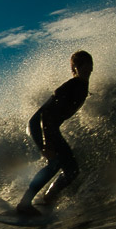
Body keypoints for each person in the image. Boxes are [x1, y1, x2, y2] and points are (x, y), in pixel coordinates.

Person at [16, 50, 93, 216]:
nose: (87, 68)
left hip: (50, 127)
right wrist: (47, 144)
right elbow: (46, 115)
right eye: (81, 65)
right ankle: (24, 203)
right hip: (40, 125)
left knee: (72, 170)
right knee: (55, 163)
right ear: (75, 69)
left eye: (88, 64)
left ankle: (49, 196)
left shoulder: (83, 86)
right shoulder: (73, 85)